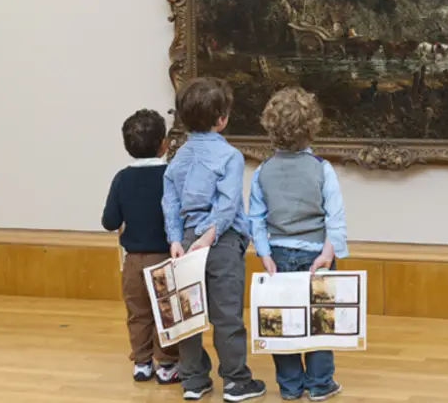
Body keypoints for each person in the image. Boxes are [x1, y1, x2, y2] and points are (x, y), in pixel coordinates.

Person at [162, 77, 266, 402]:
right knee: (227, 313)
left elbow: (170, 203)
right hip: (221, 242)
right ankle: (235, 381)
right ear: (222, 118)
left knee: (188, 315)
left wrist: (175, 240)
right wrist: (210, 236)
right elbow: (228, 203)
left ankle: (194, 380)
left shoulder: (176, 159)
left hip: (187, 242)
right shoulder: (231, 156)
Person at [247, 87, 347, 402]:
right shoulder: (322, 168)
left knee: (281, 322)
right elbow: (336, 216)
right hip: (317, 255)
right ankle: (320, 384)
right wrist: (329, 253)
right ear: (311, 127)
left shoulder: (262, 171)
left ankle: (290, 387)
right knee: (319, 321)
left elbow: (256, 218)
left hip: (277, 254)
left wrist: (264, 253)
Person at [101, 109, 180, 385]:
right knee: (167, 313)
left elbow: (109, 221)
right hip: (166, 257)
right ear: (164, 143)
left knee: (138, 313)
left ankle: (142, 363)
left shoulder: (122, 178)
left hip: (133, 261)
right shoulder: (171, 175)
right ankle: (167, 364)